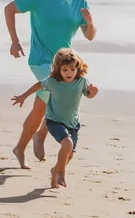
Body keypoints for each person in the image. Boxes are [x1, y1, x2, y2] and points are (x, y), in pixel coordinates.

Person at [4, 0, 96, 169]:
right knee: (55, 91)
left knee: (40, 107)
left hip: (65, 64)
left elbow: (90, 35)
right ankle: (40, 136)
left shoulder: (79, 1)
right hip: (41, 60)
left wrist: (90, 22)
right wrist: (15, 41)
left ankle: (23, 145)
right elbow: (9, 9)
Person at [11, 48, 99, 188]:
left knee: (69, 154)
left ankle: (55, 171)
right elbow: (39, 85)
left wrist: (93, 93)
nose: (68, 73)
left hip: (73, 123)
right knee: (67, 144)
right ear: (58, 70)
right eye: (64, 70)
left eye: (72, 69)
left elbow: (88, 94)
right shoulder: (53, 81)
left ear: (78, 67)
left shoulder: (81, 81)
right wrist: (24, 96)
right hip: (54, 120)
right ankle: (61, 174)